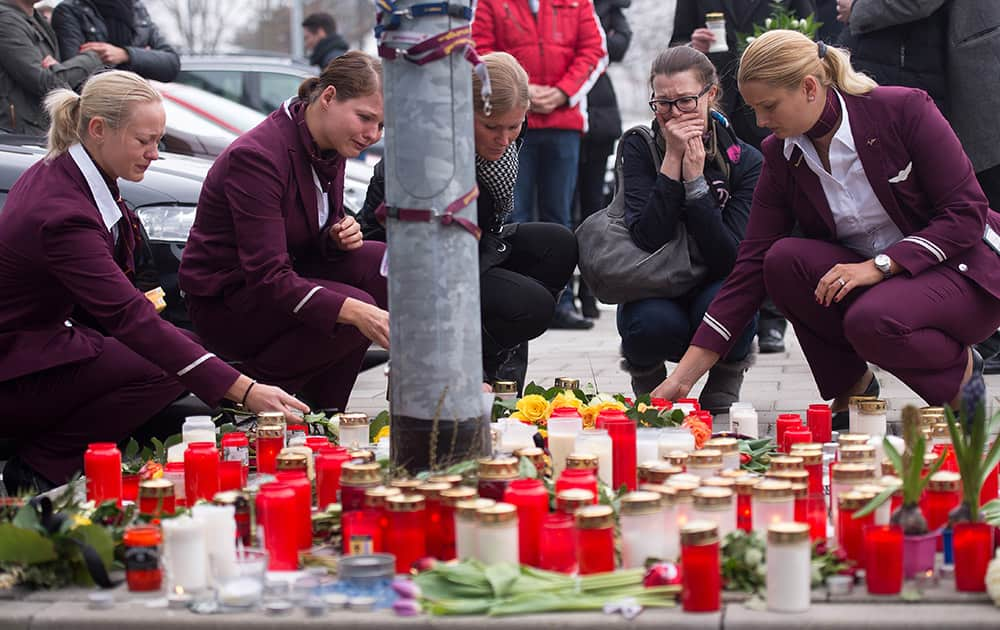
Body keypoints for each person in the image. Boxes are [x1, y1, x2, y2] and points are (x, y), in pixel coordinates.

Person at [651, 30, 1000, 429]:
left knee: (870, 319)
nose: (762, 122)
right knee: (782, 262)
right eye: (754, 110)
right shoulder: (782, 155)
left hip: (965, 272)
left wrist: (881, 265)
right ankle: (853, 389)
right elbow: (750, 267)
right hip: (885, 284)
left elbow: (966, 212)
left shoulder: (903, 110)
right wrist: (681, 380)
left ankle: (962, 385)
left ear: (810, 88)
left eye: (769, 107)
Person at [0, 70, 307, 493]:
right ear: (98, 129)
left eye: (158, 140)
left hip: (34, 344)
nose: (155, 154)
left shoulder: (69, 173)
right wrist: (245, 390)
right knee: (163, 363)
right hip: (14, 366)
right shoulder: (63, 212)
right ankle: (40, 467)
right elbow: (128, 318)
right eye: (144, 141)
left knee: (175, 351)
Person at [178, 51, 389, 413]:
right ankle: (255, 398)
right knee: (359, 311)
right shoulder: (258, 157)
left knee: (380, 262)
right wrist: (354, 310)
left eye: (382, 125)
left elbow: (306, 236)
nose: (372, 135)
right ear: (328, 98)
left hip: (278, 285)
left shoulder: (328, 143)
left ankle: (326, 413)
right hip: (229, 303)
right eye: (365, 118)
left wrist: (335, 237)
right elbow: (267, 274)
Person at [359, 52, 578, 389]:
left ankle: (494, 369)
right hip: (411, 258)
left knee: (557, 244)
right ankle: (450, 369)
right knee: (531, 305)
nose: (504, 139)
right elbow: (424, 249)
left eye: (514, 126)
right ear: (462, 111)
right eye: (491, 127)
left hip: (474, 241)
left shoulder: (503, 133)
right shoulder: (432, 149)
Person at [617, 46, 762, 412]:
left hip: (713, 282)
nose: (673, 114)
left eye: (684, 101)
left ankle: (727, 371)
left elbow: (730, 257)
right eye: (662, 104)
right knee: (649, 322)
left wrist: (696, 183)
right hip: (655, 280)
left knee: (730, 303)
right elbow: (647, 237)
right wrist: (671, 161)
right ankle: (647, 375)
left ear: (711, 94)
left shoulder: (745, 160)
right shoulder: (639, 146)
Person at [672, 0, 816, 355]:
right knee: (734, 215)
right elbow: (675, 46)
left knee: (782, 211)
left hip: (771, 105)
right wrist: (693, 47)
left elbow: (809, 35)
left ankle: (772, 319)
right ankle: (732, 303)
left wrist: (780, 52)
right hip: (718, 108)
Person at [472, 0, 608, 330]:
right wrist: (522, 91)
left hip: (564, 120)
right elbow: (478, 50)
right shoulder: (490, 3)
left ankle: (559, 303)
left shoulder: (578, 3)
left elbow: (594, 50)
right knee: (509, 215)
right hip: (512, 116)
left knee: (559, 216)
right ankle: (512, 299)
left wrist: (564, 91)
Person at [576, 0, 632, 320]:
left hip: (598, 112)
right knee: (558, 209)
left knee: (592, 207)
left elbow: (619, 45)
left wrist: (587, 40)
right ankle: (563, 294)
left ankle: (588, 291)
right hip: (564, 112)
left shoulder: (608, 6)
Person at [0, 0, 102, 134]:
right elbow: (46, 82)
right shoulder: (6, 21)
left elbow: (53, 77)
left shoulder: (33, 18)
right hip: (15, 137)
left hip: (32, 131)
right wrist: (93, 58)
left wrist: (59, 68)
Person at [51, 0, 180, 83]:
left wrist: (126, 55)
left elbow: (171, 64)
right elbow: (73, 76)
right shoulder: (69, 11)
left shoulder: (137, 10)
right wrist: (145, 58)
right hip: (96, 109)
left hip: (137, 106)